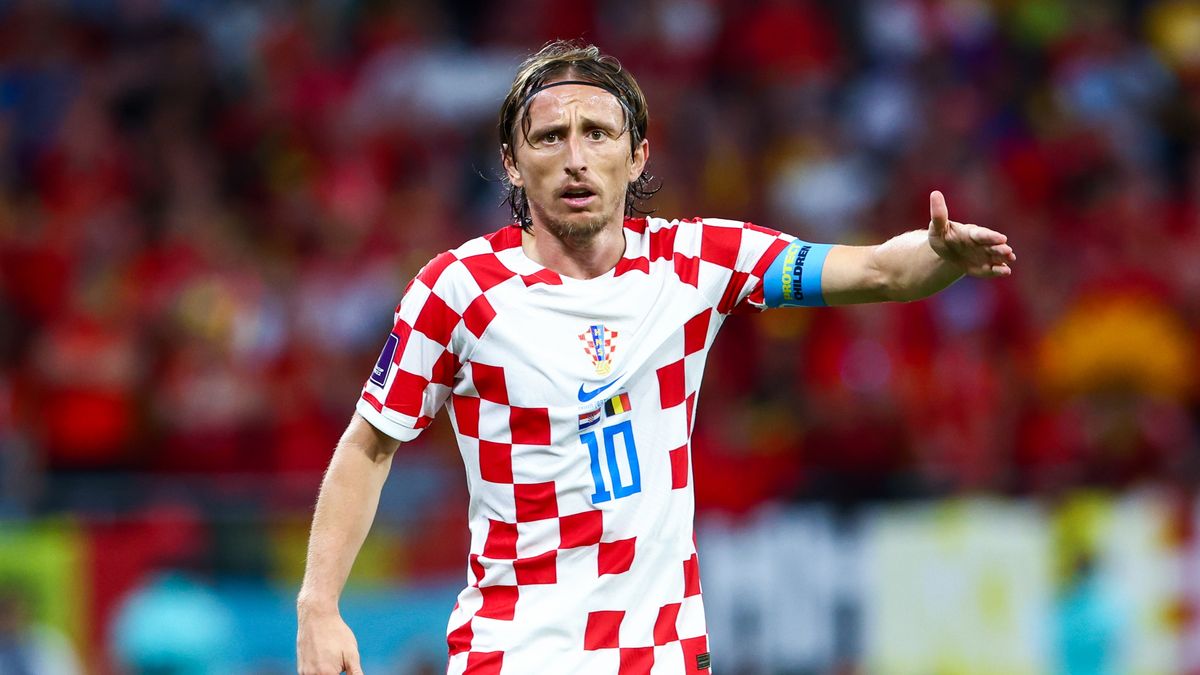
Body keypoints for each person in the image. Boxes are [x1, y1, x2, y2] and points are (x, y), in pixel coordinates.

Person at [296, 40, 1016, 675]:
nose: (576, 158)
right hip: (515, 649)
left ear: (636, 152)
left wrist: (937, 255)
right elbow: (369, 443)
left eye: (597, 133)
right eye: (549, 138)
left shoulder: (692, 263)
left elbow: (877, 272)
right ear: (512, 164)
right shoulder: (457, 290)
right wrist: (319, 604)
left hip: (661, 655)